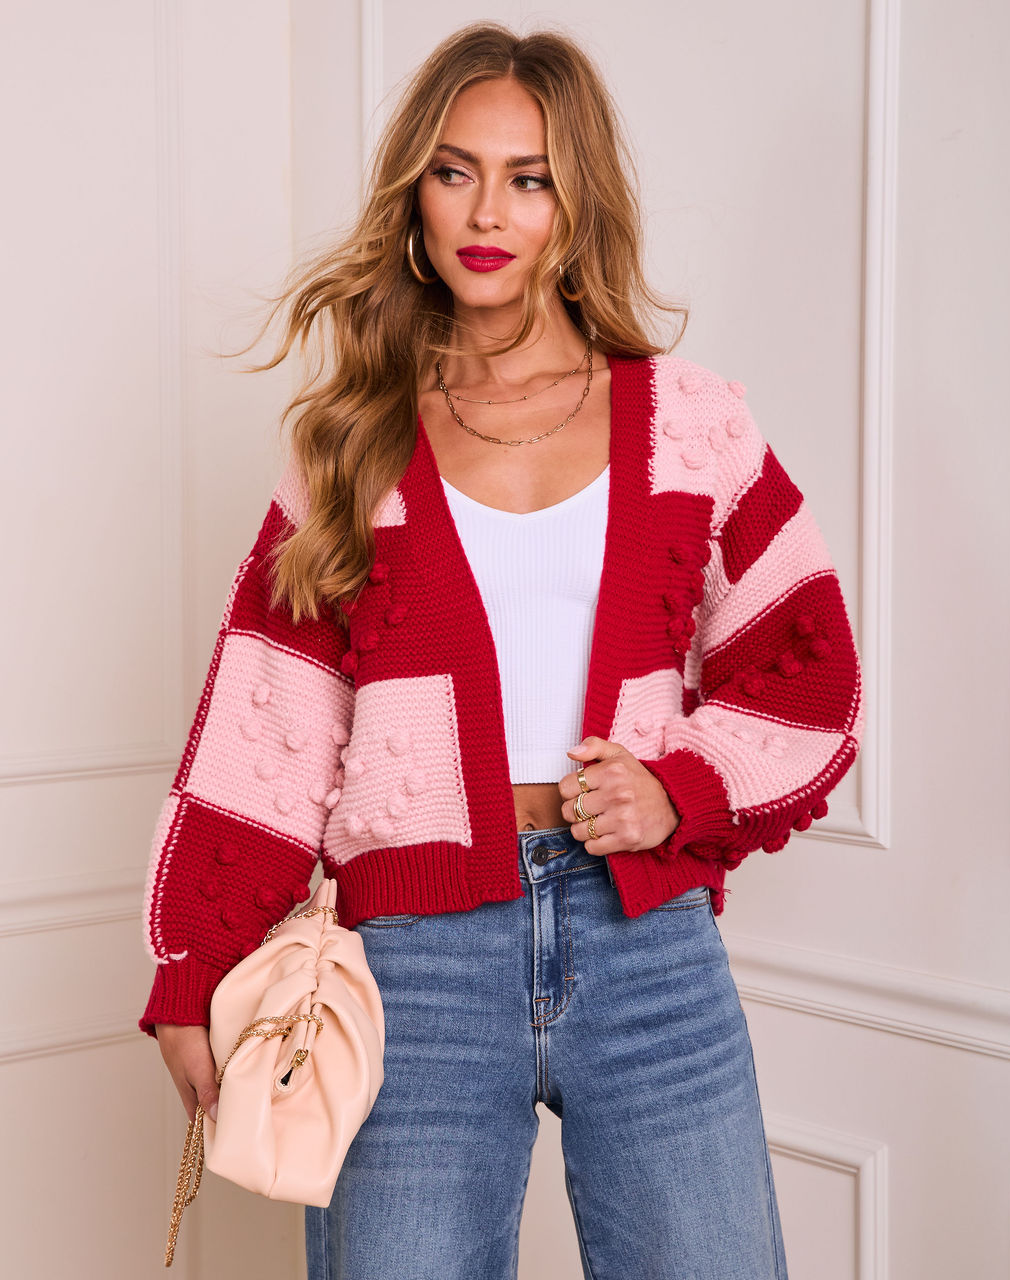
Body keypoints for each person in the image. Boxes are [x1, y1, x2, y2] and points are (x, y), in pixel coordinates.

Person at [141, 20, 863, 1280]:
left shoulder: (689, 423)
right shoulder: (352, 446)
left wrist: (677, 788)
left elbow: (806, 668)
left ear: (574, 205)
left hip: (647, 944)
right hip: (413, 964)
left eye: (528, 178)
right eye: (455, 171)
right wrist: (193, 964)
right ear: (414, 197)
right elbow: (268, 726)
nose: (487, 211)